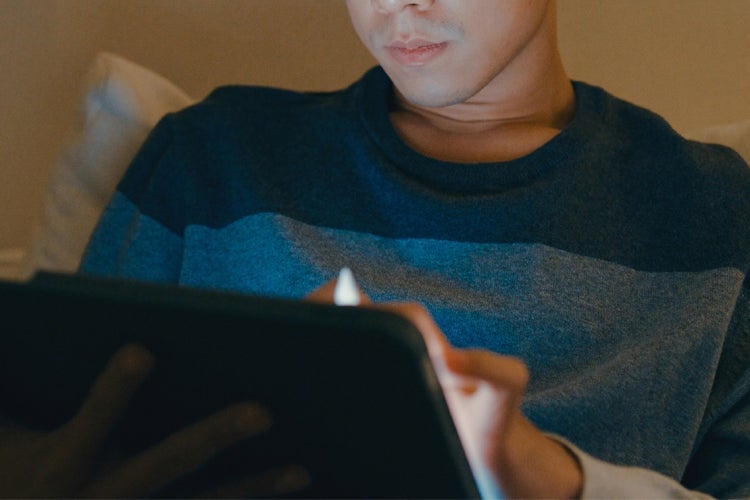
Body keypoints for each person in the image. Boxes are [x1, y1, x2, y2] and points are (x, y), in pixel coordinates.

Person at [3, 0, 750, 497]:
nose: (398, 1)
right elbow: (55, 429)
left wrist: (545, 475)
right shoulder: (213, 158)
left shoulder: (713, 214)